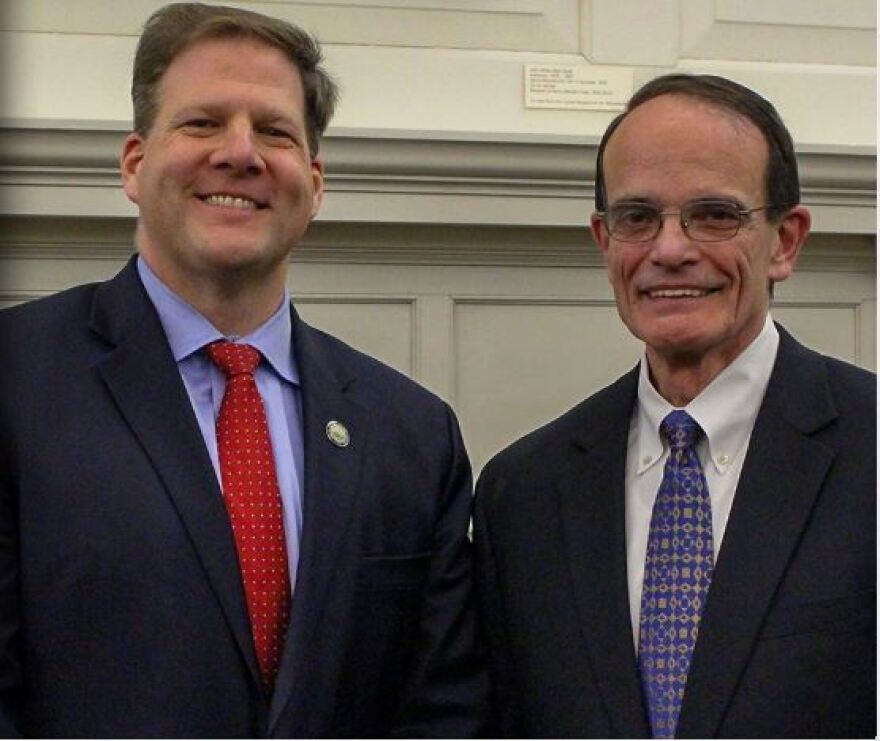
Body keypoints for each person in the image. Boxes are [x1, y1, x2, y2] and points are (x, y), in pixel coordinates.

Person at [0, 3, 486, 736]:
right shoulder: (17, 379)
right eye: (201, 123)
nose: (240, 152)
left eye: (274, 130)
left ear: (314, 183)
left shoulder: (412, 435)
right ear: (135, 164)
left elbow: (444, 714)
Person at [474, 73, 875, 738]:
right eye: (637, 218)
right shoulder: (523, 493)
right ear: (604, 242)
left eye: (714, 215)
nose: (668, 249)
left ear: (785, 240)